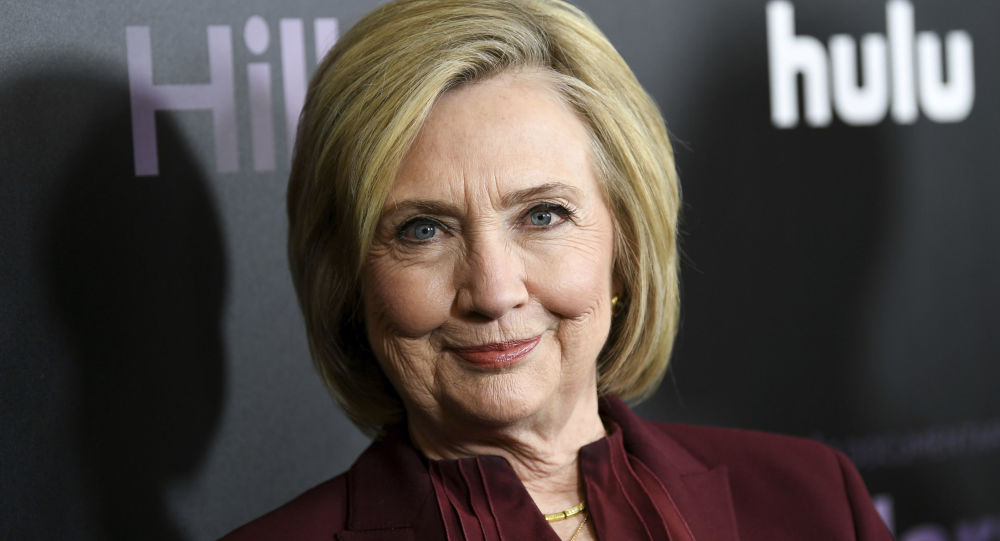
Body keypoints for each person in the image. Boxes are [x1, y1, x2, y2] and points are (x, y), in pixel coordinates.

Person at [223, 0, 893, 539]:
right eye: (423, 230)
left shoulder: (817, 502)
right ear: (348, 280)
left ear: (624, 249)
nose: (493, 292)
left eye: (542, 216)